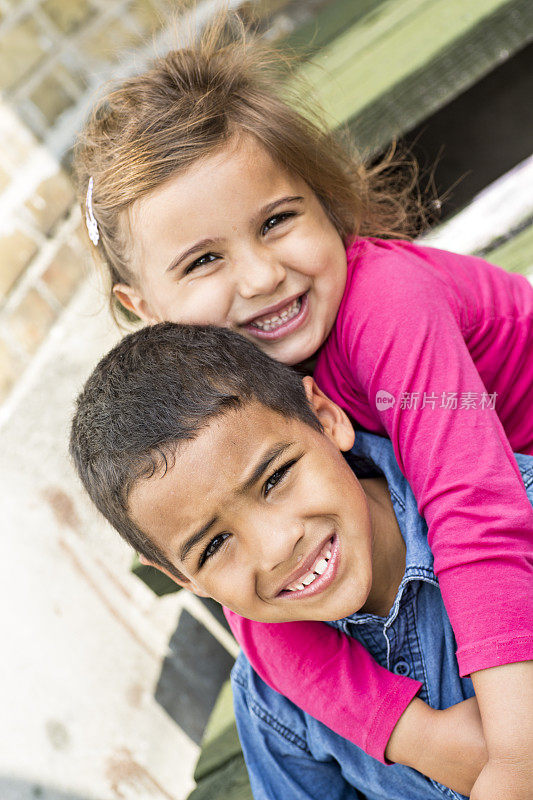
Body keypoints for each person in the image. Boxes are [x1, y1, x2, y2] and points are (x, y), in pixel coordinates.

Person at [72, 17, 533, 796]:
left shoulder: (388, 306)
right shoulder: (232, 390)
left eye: (276, 221)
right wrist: (415, 735)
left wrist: (513, 759)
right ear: (142, 304)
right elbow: (256, 613)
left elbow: (475, 507)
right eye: (205, 260)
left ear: (323, 204)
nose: (259, 277)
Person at [70, 322, 530, 798]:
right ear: (181, 578)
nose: (276, 547)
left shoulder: (515, 518)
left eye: (275, 478)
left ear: (325, 417)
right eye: (212, 546)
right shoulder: (272, 709)